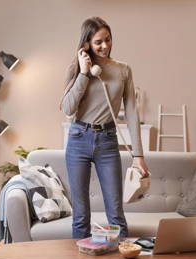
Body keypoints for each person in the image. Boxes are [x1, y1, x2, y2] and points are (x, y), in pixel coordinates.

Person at [60, 16, 149, 239]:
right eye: (98, 42)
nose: (105, 46)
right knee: (81, 215)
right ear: (87, 44)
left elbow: (131, 113)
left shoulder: (123, 70)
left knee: (116, 213)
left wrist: (139, 156)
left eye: (108, 40)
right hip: (79, 139)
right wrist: (83, 73)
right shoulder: (79, 69)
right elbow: (68, 108)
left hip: (108, 141)